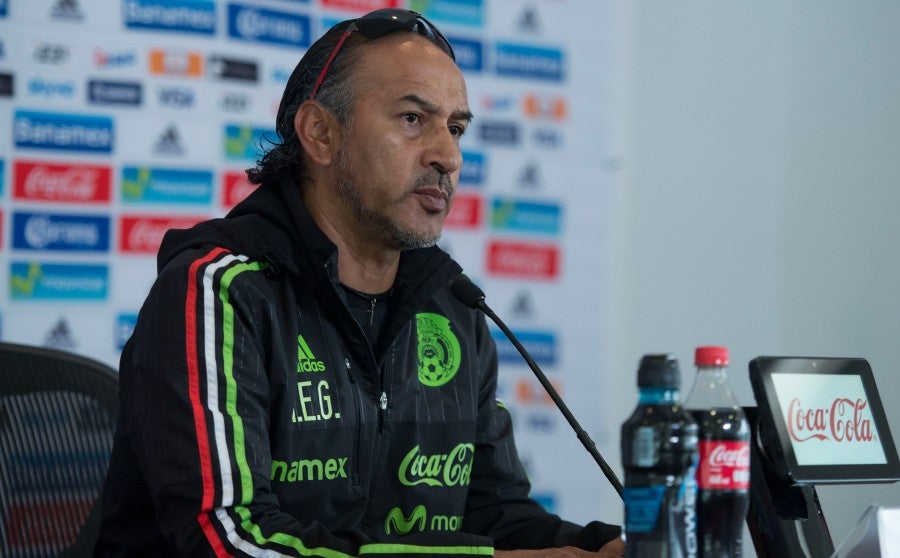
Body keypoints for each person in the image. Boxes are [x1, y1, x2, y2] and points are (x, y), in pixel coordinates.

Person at [96, 8, 624, 557]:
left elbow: (494, 517)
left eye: (456, 127)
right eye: (414, 119)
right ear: (321, 134)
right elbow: (231, 543)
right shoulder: (220, 291)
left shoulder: (454, 309)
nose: (449, 155)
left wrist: (608, 549)